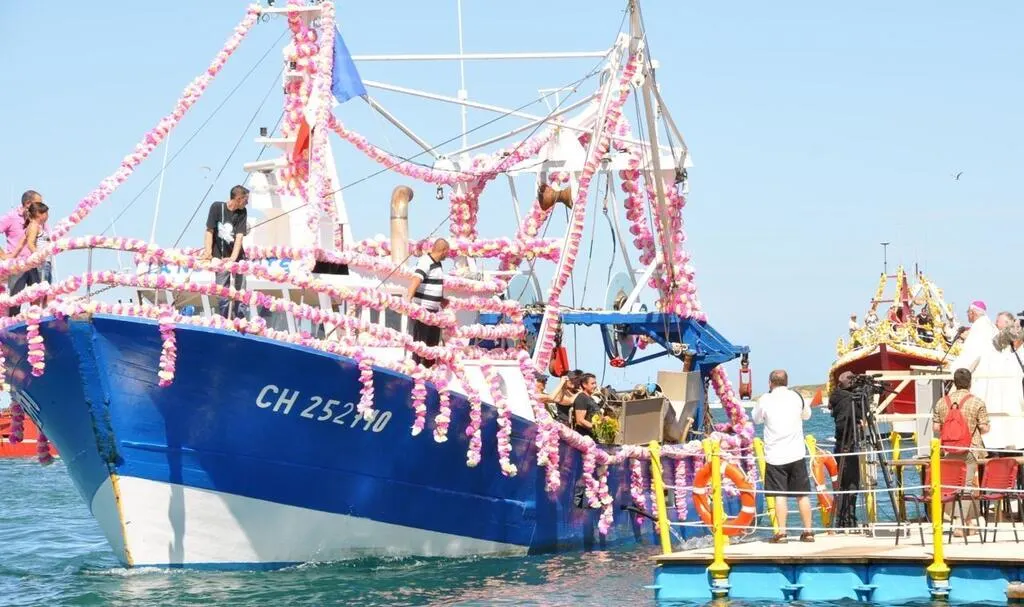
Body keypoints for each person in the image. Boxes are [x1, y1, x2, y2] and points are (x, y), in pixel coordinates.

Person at [751, 369, 814, 543]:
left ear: (770, 383)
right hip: (796, 453)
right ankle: (808, 532)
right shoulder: (797, 397)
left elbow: (756, 419)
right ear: (787, 381)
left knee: (780, 495)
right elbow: (807, 416)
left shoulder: (765, 399)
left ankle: (782, 533)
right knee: (802, 494)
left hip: (775, 454)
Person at [933, 367, 990, 537]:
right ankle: (959, 524)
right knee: (967, 486)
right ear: (970, 383)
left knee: (955, 485)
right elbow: (984, 428)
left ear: (955, 383)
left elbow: (936, 428)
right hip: (970, 449)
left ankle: (970, 523)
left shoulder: (942, 402)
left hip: (949, 449)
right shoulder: (977, 402)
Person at [201, 185, 249, 319]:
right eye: (245, 200)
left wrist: (233, 259)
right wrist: (208, 252)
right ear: (238, 199)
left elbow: (239, 236)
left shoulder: (242, 212)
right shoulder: (217, 207)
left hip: (237, 258)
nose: (247, 203)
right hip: (220, 257)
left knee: (240, 292)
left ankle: (240, 320)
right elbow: (209, 230)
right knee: (223, 291)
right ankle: (225, 319)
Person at [829, 371, 865, 530]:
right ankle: (848, 519)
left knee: (843, 483)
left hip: (840, 444)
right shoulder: (847, 400)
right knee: (850, 482)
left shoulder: (836, 397)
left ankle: (843, 520)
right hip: (847, 444)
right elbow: (854, 417)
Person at [406, 238, 449, 368]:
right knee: (421, 345)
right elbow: (416, 279)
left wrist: (441, 300)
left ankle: (429, 371)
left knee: (432, 346)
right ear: (443, 251)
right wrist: (408, 300)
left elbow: (433, 284)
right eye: (447, 252)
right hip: (423, 311)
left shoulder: (438, 264)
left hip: (434, 313)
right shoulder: (426, 261)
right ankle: (417, 371)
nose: (448, 255)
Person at [0, 190, 43, 316]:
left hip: (35, 265)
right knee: (15, 301)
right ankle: (11, 332)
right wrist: (3, 255)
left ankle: (37, 328)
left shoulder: (39, 218)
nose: (40, 207)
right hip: (17, 266)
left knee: (37, 300)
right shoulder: (10, 217)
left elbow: (48, 237)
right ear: (28, 203)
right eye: (38, 204)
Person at [10, 202, 51, 304]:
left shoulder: (34, 226)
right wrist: (39, 256)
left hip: (45, 262)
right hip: (42, 263)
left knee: (43, 292)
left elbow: (20, 245)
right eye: (46, 213)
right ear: (39, 214)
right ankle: (41, 313)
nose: (48, 216)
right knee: (44, 292)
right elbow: (30, 244)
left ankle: (40, 311)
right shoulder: (34, 226)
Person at [572, 373, 601, 438]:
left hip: (593, 436)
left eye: (595, 383)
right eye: (592, 384)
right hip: (585, 437)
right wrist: (595, 427)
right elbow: (580, 420)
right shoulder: (581, 398)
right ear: (584, 385)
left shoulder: (590, 398)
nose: (595, 386)